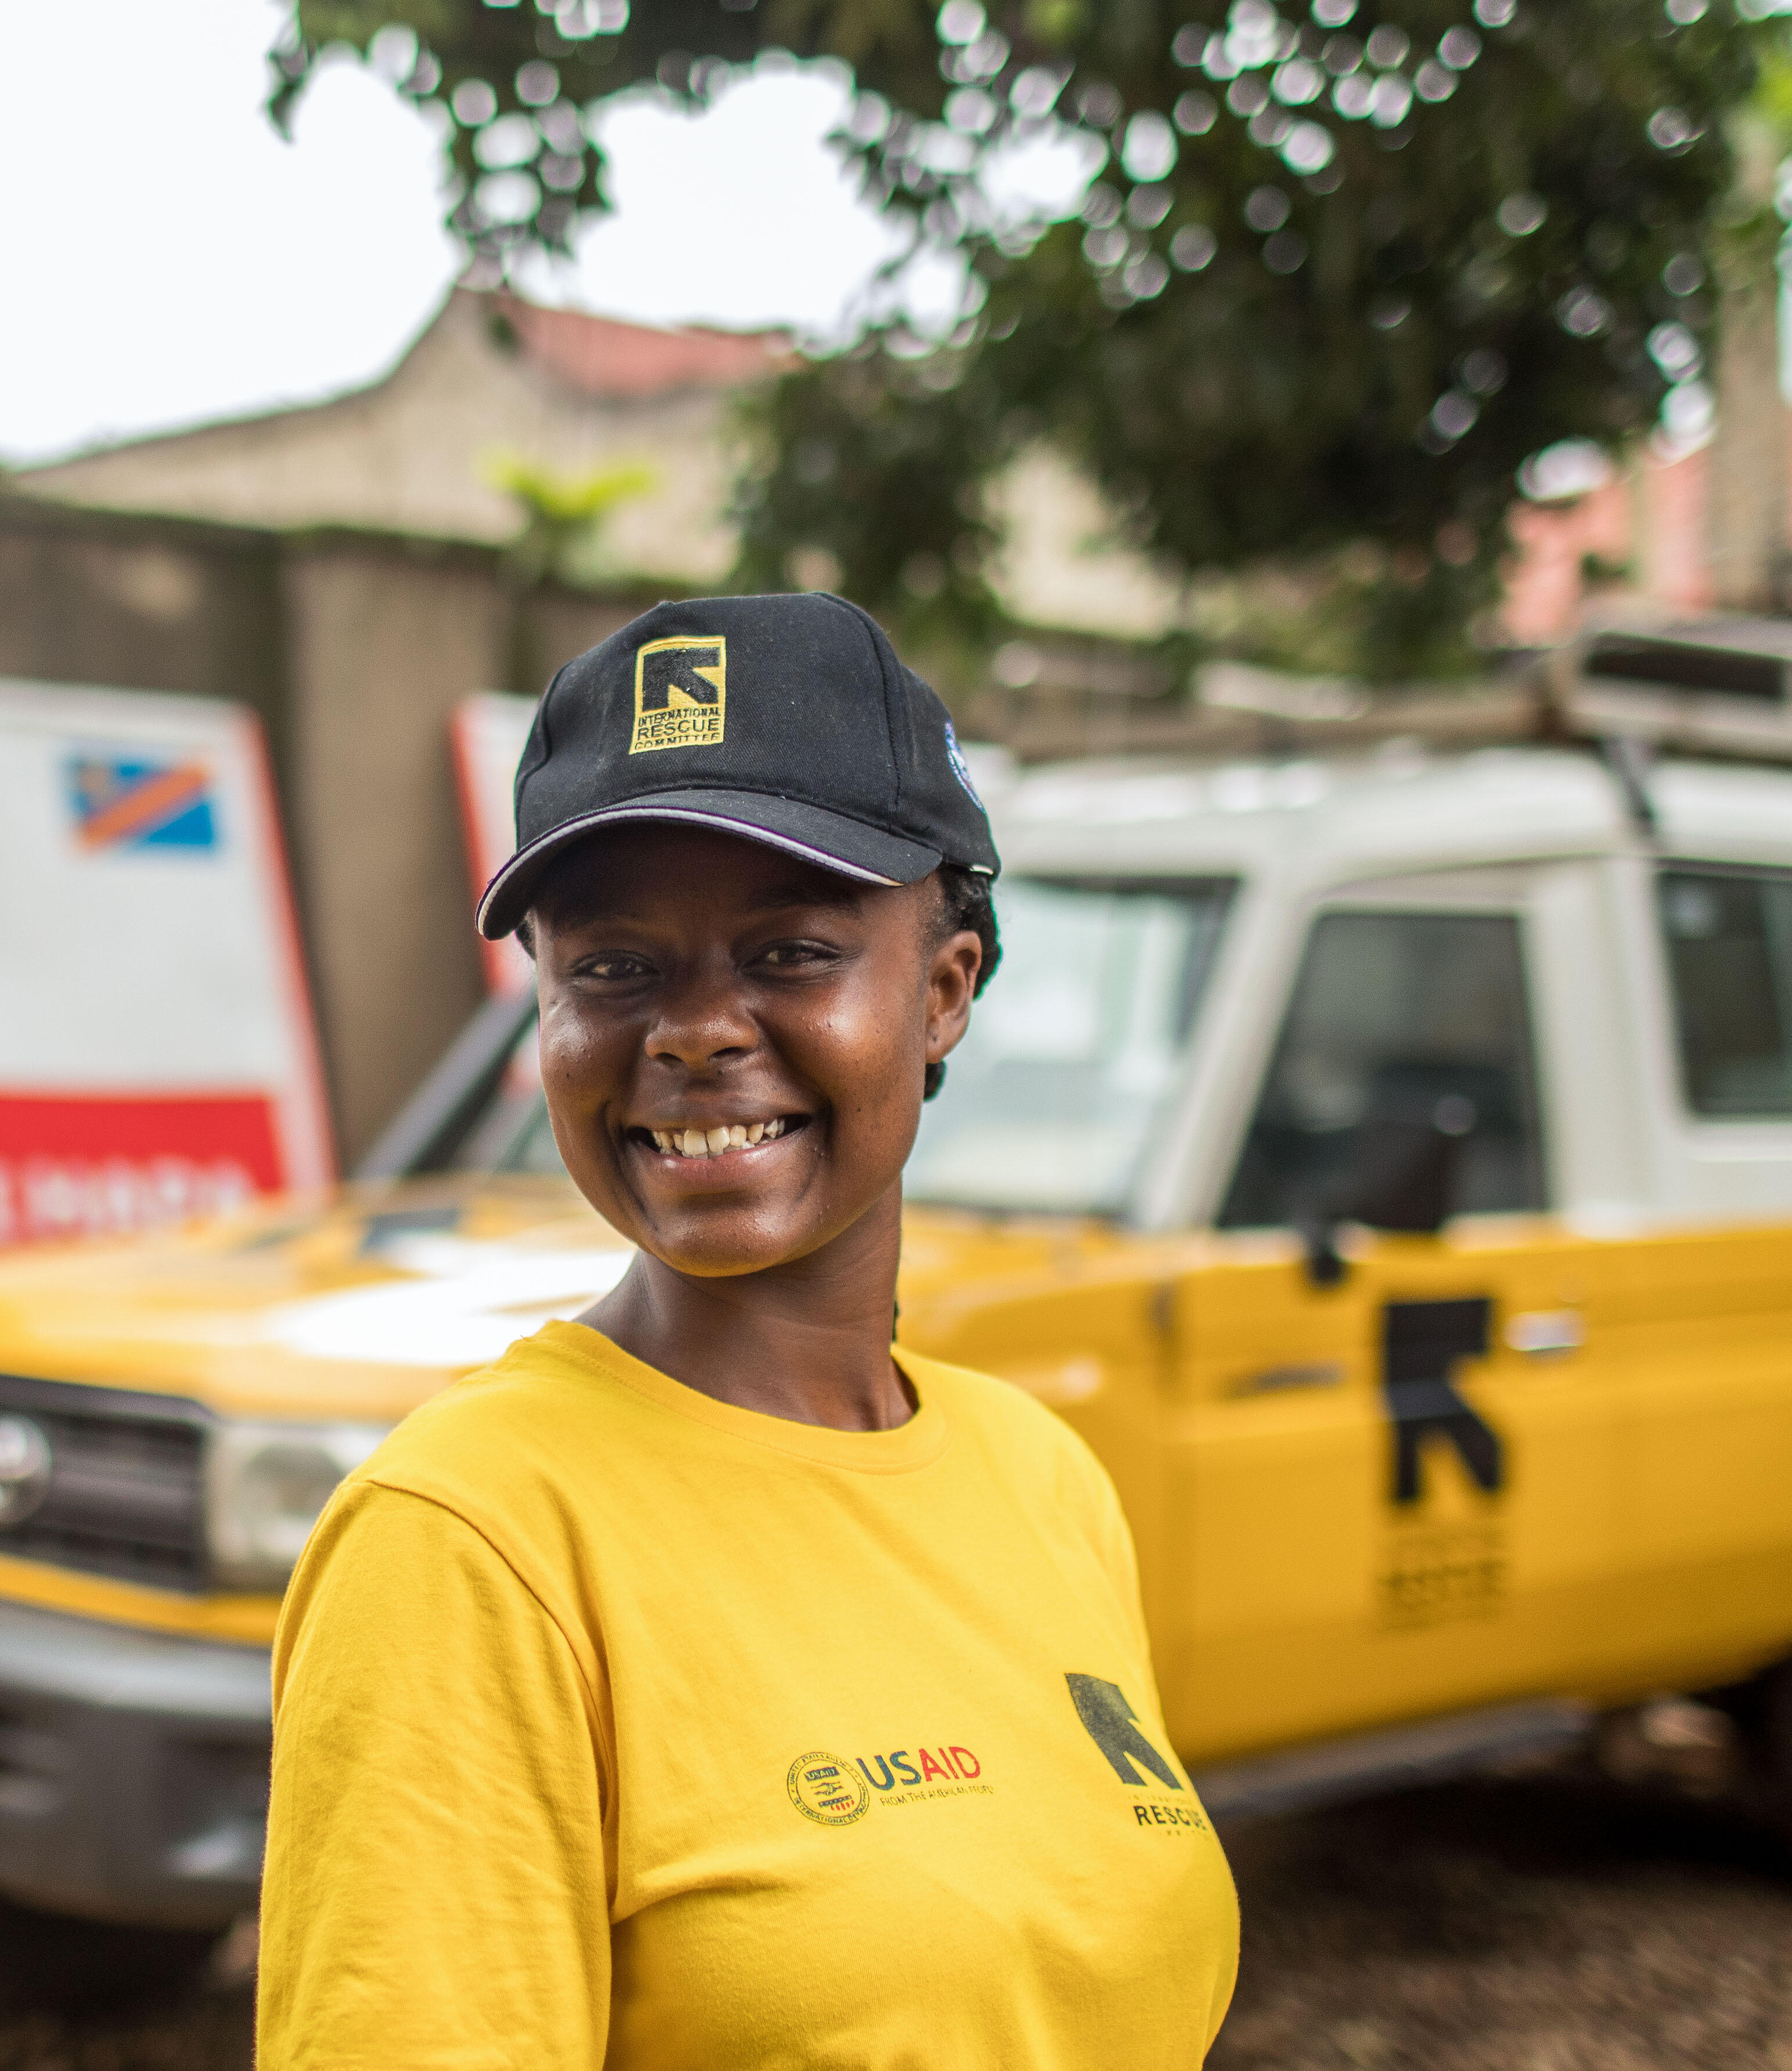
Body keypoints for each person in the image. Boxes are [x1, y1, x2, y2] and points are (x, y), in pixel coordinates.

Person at [257, 593, 1239, 2067]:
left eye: (789, 952)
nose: (697, 1029)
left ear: (944, 991)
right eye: (612, 967)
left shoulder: (1040, 1481)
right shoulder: (471, 1543)